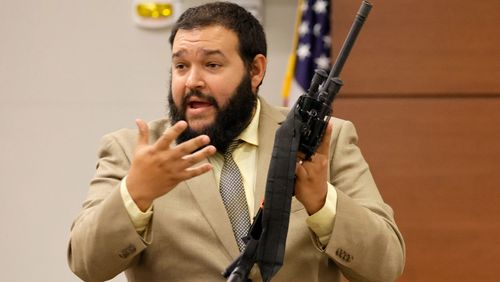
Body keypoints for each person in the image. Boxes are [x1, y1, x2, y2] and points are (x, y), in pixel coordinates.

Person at [68, 2, 405, 281]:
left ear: (255, 71)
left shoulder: (323, 143)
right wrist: (136, 194)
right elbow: (86, 264)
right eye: (181, 66)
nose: (192, 81)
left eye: (212, 64)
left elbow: (386, 266)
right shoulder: (133, 152)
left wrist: (323, 204)